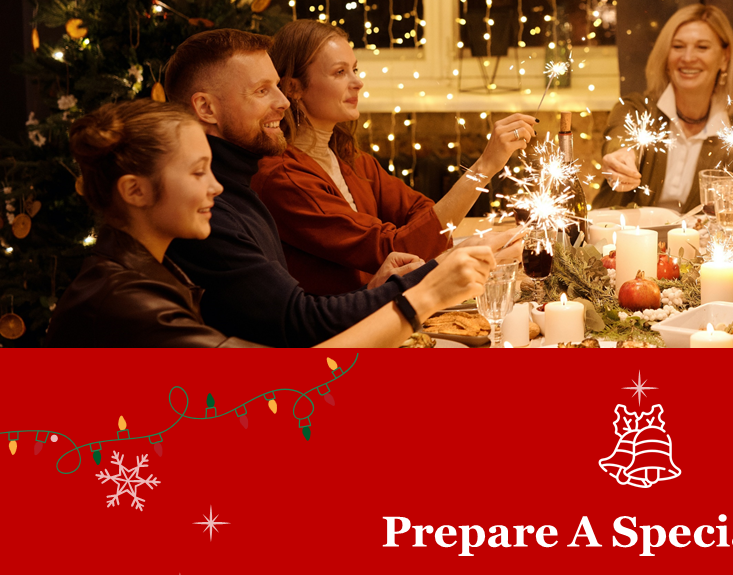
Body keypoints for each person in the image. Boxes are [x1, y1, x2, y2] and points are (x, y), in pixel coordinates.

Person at [160, 29, 517, 347]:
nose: (281, 102)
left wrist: (377, 288)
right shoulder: (248, 190)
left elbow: (425, 220)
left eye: (355, 69)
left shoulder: (343, 158)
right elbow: (299, 321)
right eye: (262, 90)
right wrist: (438, 275)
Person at [48, 100, 494, 348]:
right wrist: (426, 293)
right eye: (197, 172)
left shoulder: (157, 269)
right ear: (135, 191)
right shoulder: (123, 300)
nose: (216, 188)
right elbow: (286, 390)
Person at [253, 19, 537, 295]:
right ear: (293, 88)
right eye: (340, 72)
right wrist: (485, 166)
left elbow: (422, 213)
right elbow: (393, 246)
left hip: (384, 303)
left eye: (355, 69)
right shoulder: (284, 178)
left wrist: (442, 240)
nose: (358, 82)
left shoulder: (348, 157)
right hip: (344, 329)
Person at [593, 4, 733, 212]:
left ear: (724, 58)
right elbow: (622, 138)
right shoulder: (635, 109)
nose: (688, 57)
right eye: (678, 47)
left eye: (702, 47)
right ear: (666, 57)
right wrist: (622, 158)